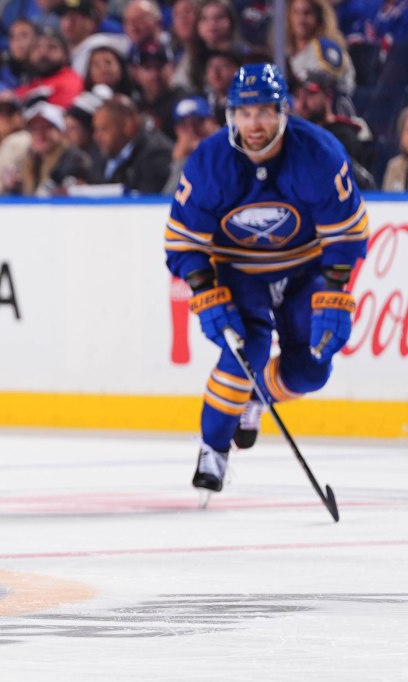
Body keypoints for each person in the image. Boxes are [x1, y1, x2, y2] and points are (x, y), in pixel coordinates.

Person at [165, 63, 369, 496]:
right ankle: (214, 450)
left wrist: (334, 291)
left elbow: (346, 234)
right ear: (231, 115)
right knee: (246, 350)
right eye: (244, 112)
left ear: (283, 112)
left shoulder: (319, 154)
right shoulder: (210, 160)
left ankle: (256, 399)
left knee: (312, 370)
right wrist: (205, 291)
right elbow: (183, 242)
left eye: (264, 112)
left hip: (303, 268)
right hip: (238, 272)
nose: (254, 124)